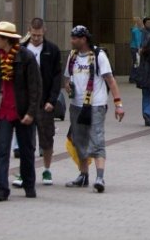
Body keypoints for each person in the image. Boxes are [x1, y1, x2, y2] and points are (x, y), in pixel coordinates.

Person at [0, 21, 41, 201]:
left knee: (26, 150)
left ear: (6, 39)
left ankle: (29, 185)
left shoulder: (25, 57)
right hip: (2, 112)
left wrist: (31, 112)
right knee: (2, 150)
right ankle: (2, 188)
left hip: (22, 110)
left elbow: (35, 87)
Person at [64, 25, 125, 192]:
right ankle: (83, 175)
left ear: (83, 39)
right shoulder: (72, 56)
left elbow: (110, 81)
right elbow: (66, 78)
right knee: (79, 141)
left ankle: (100, 178)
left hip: (96, 105)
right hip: (76, 106)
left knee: (97, 140)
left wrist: (118, 104)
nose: (72, 41)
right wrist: (68, 86)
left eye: (75, 38)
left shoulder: (99, 55)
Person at [15, 18, 61, 187]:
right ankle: (23, 172)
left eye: (38, 35)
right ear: (29, 31)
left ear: (44, 32)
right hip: (25, 102)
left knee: (47, 138)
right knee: (26, 140)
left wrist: (52, 100)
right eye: (33, 35)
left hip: (44, 102)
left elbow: (57, 77)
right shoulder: (21, 49)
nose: (35, 38)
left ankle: (47, 169)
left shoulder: (52, 50)